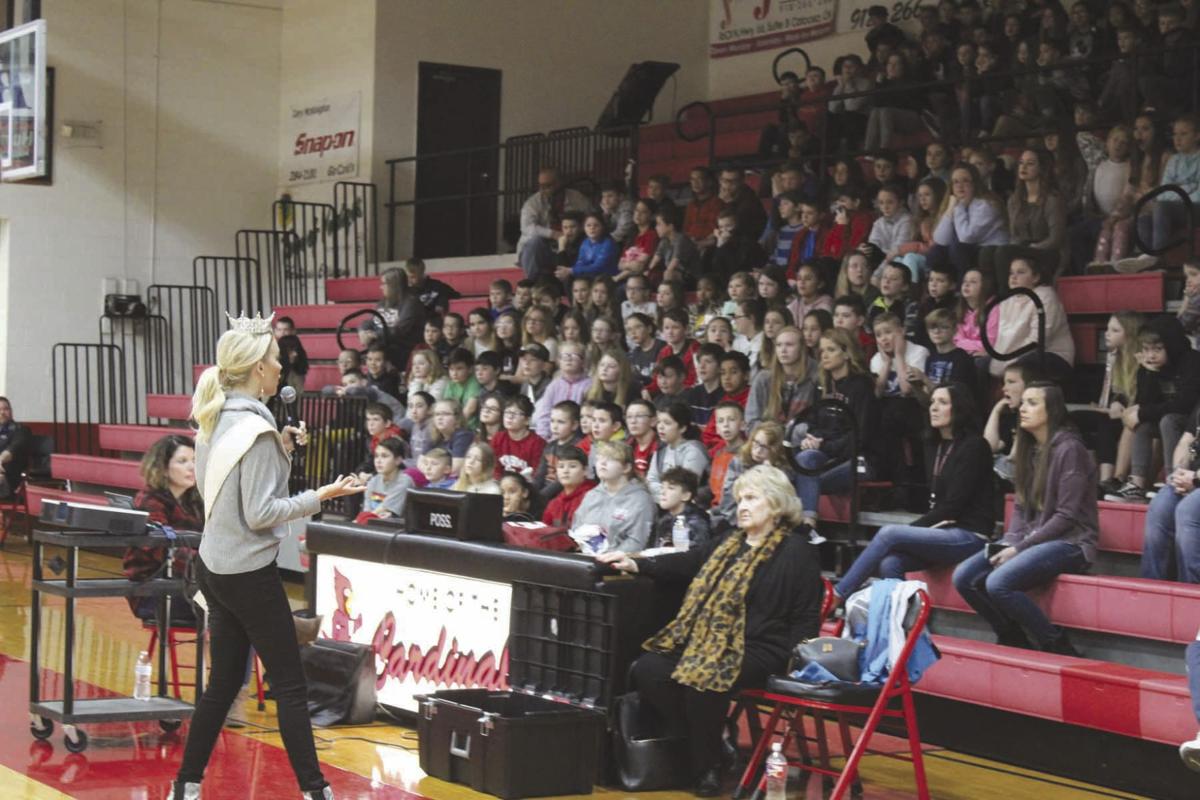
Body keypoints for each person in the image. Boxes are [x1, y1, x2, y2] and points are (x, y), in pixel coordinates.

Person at [170, 314, 362, 800]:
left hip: (214, 565)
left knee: (223, 684)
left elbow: (239, 492)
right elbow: (260, 512)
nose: (282, 368)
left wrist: (283, 451)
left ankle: (185, 788)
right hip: (247, 574)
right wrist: (323, 494)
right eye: (277, 360)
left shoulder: (216, 418)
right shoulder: (253, 430)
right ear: (258, 368)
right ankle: (316, 792)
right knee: (291, 687)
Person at [597, 465, 823, 796]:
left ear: (775, 504)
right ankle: (711, 747)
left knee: (703, 679)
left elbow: (805, 615)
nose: (741, 506)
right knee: (649, 668)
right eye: (739, 498)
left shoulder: (797, 551)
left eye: (751, 498)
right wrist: (637, 563)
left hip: (763, 647)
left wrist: (797, 660)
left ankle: (705, 769)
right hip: (711, 642)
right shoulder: (729, 542)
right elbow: (688, 561)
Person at [952, 382, 1097, 654]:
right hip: (1033, 539)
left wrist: (1019, 549)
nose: (1022, 408)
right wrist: (1010, 541)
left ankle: (1054, 642)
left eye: (1032, 403)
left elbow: (1067, 517)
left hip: (1072, 542)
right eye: (1024, 402)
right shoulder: (1028, 448)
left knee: (998, 582)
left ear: (1051, 410)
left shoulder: (1070, 449)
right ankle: (1011, 634)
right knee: (963, 576)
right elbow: (1020, 509)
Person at [833, 384, 992, 602]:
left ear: (960, 409)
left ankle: (838, 594)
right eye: (933, 402)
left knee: (890, 534)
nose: (934, 408)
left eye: (943, 403)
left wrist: (909, 530)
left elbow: (953, 506)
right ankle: (906, 626)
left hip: (971, 535)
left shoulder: (975, 446)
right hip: (945, 531)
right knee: (891, 563)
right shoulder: (935, 445)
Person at [794, 328, 878, 541]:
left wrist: (825, 446)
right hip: (825, 458)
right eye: (822, 350)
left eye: (831, 350)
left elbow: (862, 436)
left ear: (847, 353)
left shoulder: (861, 387)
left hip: (858, 459)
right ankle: (809, 525)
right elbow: (813, 422)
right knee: (805, 459)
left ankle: (804, 525)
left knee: (803, 479)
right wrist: (811, 440)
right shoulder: (821, 385)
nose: (824, 355)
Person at [122, 434, 203, 625]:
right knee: (235, 611)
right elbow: (164, 550)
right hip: (153, 593)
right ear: (163, 469)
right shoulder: (150, 500)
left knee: (245, 607)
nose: (192, 467)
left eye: (194, 460)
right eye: (182, 461)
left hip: (188, 586)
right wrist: (210, 568)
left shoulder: (195, 501)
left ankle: (220, 655)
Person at [1141, 403, 1200, 584]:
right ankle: (1153, 588)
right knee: (1161, 504)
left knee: (1187, 510)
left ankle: (1190, 590)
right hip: (1192, 480)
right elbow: (1185, 441)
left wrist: (1196, 478)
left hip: (1196, 481)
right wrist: (1178, 473)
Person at [927, 163, 1010, 278]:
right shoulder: (955, 203)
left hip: (990, 247)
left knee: (958, 246)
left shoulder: (987, 204)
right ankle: (940, 289)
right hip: (973, 247)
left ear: (975, 183)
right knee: (936, 251)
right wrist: (950, 209)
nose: (960, 186)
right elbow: (940, 240)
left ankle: (961, 288)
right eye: (955, 182)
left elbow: (967, 237)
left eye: (965, 181)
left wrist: (959, 207)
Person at [571, 440, 655, 553]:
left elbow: (637, 541)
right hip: (585, 559)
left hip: (620, 564)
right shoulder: (591, 495)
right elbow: (576, 527)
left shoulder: (641, 500)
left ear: (626, 468)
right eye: (599, 459)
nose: (602, 463)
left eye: (610, 459)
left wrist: (608, 557)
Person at [517, 166, 593, 279]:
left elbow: (591, 218)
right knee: (535, 242)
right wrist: (554, 234)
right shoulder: (532, 203)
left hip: (571, 247)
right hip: (543, 250)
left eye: (548, 185)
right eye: (541, 186)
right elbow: (527, 228)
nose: (543, 189)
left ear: (559, 183)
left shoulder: (577, 198)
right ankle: (531, 284)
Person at [745, 326, 816, 426]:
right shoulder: (763, 379)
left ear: (801, 348)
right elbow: (751, 420)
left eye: (789, 345)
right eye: (778, 345)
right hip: (768, 438)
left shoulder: (815, 377)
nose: (783, 350)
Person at [359, 266, 426, 369]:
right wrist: (363, 330)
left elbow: (400, 330)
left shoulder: (411, 302)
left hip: (402, 349)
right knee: (349, 356)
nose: (380, 287)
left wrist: (375, 335)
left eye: (383, 284)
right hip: (381, 347)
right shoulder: (383, 302)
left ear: (394, 285)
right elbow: (371, 321)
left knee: (375, 356)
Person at [647, 403, 710, 500]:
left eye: (667, 423)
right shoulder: (661, 449)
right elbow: (651, 481)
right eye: (659, 422)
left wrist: (663, 493)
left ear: (682, 428)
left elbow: (686, 488)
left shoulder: (694, 451)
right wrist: (667, 493)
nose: (660, 427)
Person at [652, 467, 713, 551]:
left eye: (671, 488)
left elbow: (698, 555)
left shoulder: (697, 522)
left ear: (686, 496)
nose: (662, 492)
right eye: (662, 487)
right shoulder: (664, 520)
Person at [541, 445, 596, 527]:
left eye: (572, 466)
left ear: (585, 470)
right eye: (561, 466)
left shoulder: (593, 497)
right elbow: (544, 531)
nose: (565, 471)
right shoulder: (554, 503)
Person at [0, 397, 31, 500]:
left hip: (11, 479)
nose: (2, 412)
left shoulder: (21, 430)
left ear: (11, 411)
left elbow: (12, 450)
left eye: (5, 409)